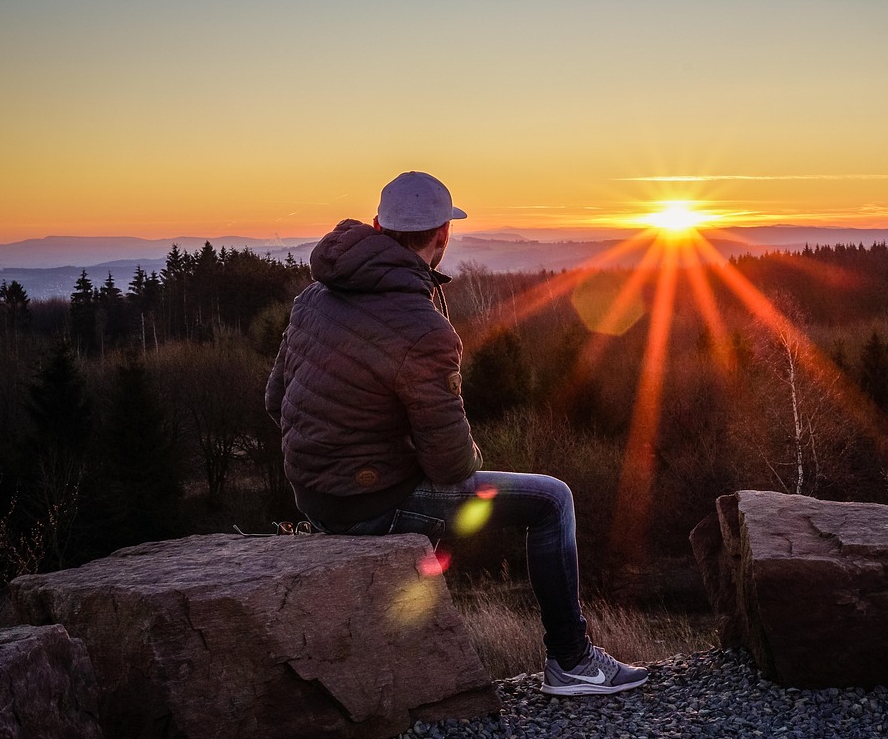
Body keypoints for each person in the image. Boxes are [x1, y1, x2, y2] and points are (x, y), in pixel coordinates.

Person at [265, 171, 647, 696]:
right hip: (368, 502)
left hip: (313, 493)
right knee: (552, 500)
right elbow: (450, 467)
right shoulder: (423, 327)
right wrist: (459, 450)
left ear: (378, 225)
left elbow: (274, 401)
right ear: (442, 236)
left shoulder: (313, 298)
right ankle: (573, 661)